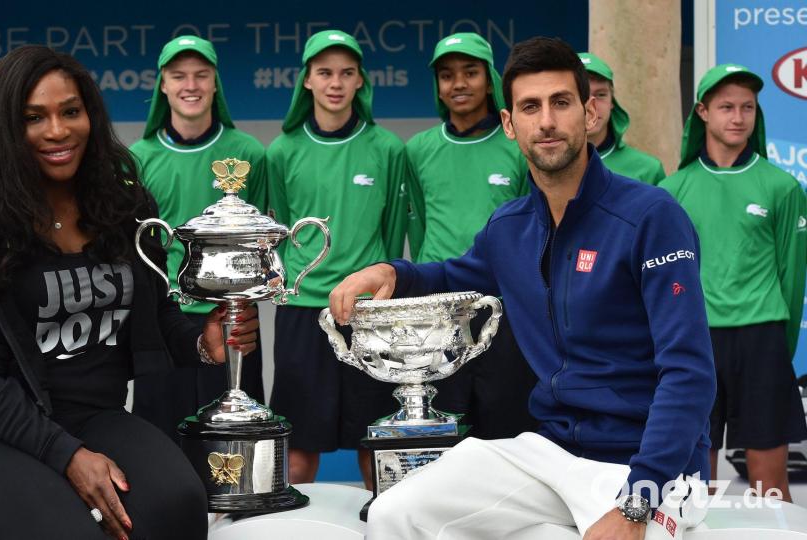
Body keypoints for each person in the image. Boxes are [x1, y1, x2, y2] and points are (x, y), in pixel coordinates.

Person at [330, 37, 715, 539]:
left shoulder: (651, 217)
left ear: (589, 112)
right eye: (530, 107)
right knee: (393, 514)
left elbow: (688, 370)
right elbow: (455, 276)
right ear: (510, 123)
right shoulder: (509, 226)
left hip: (650, 471)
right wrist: (392, 272)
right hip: (551, 453)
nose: (547, 121)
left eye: (561, 103)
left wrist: (637, 504)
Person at [0, 45, 259, 540]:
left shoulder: (123, 207)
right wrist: (68, 457)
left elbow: (155, 312)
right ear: (5, 130)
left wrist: (202, 344)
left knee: (181, 505)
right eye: (33, 117)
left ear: (91, 116)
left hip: (98, 416)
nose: (57, 131)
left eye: (71, 111)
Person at [266, 29, 408, 489]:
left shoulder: (387, 148)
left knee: (375, 450)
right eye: (324, 72)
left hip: (368, 316)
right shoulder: (282, 151)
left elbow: (392, 234)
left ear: (360, 82)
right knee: (301, 453)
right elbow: (283, 231)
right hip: (304, 314)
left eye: (347, 73)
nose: (335, 82)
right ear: (306, 81)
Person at [660, 64, 807, 502]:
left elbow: (793, 276)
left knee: (770, 487)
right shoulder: (673, 189)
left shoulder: (782, 187)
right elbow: (667, 282)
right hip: (695, 343)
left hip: (761, 341)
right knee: (690, 487)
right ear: (703, 112)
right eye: (726, 107)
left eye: (747, 107)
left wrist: (779, 344)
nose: (738, 117)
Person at [129, 35, 266, 442]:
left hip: (231, 318)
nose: (191, 85)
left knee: (234, 435)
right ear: (163, 85)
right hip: (163, 318)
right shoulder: (139, 157)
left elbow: (263, 243)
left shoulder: (249, 152)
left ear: (215, 83)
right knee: (162, 437)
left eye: (201, 75)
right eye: (179, 76)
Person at [404, 32, 536, 440]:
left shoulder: (517, 146)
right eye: (447, 75)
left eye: (470, 72)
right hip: (438, 314)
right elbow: (418, 224)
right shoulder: (419, 148)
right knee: (443, 429)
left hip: (502, 308)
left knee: (504, 428)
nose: (458, 83)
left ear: (490, 79)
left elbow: (530, 226)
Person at [579, 52, 666, 185]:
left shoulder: (648, 170)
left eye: (601, 95)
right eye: (582, 95)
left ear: (612, 101)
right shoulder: (542, 166)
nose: (591, 106)